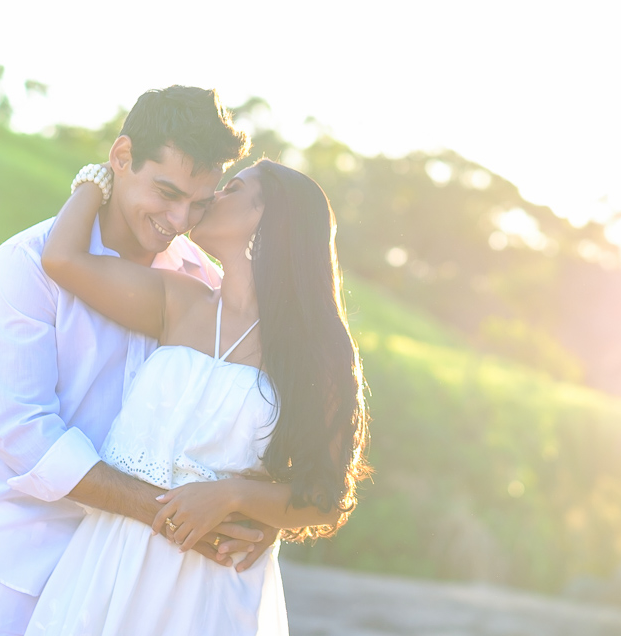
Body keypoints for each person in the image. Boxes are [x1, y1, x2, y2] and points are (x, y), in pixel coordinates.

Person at [0, 86, 272, 636]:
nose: (180, 219)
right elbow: (25, 433)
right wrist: (172, 513)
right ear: (122, 157)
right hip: (6, 564)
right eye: (167, 191)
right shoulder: (26, 265)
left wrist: (248, 514)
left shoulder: (205, 284)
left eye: (199, 202)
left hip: (127, 582)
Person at [25, 157, 368, 634]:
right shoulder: (177, 299)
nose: (211, 198)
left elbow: (325, 497)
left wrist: (231, 495)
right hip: (110, 557)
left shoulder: (321, 353)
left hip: (210, 585)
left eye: (232, 189)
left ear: (266, 218)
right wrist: (102, 175)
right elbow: (61, 260)